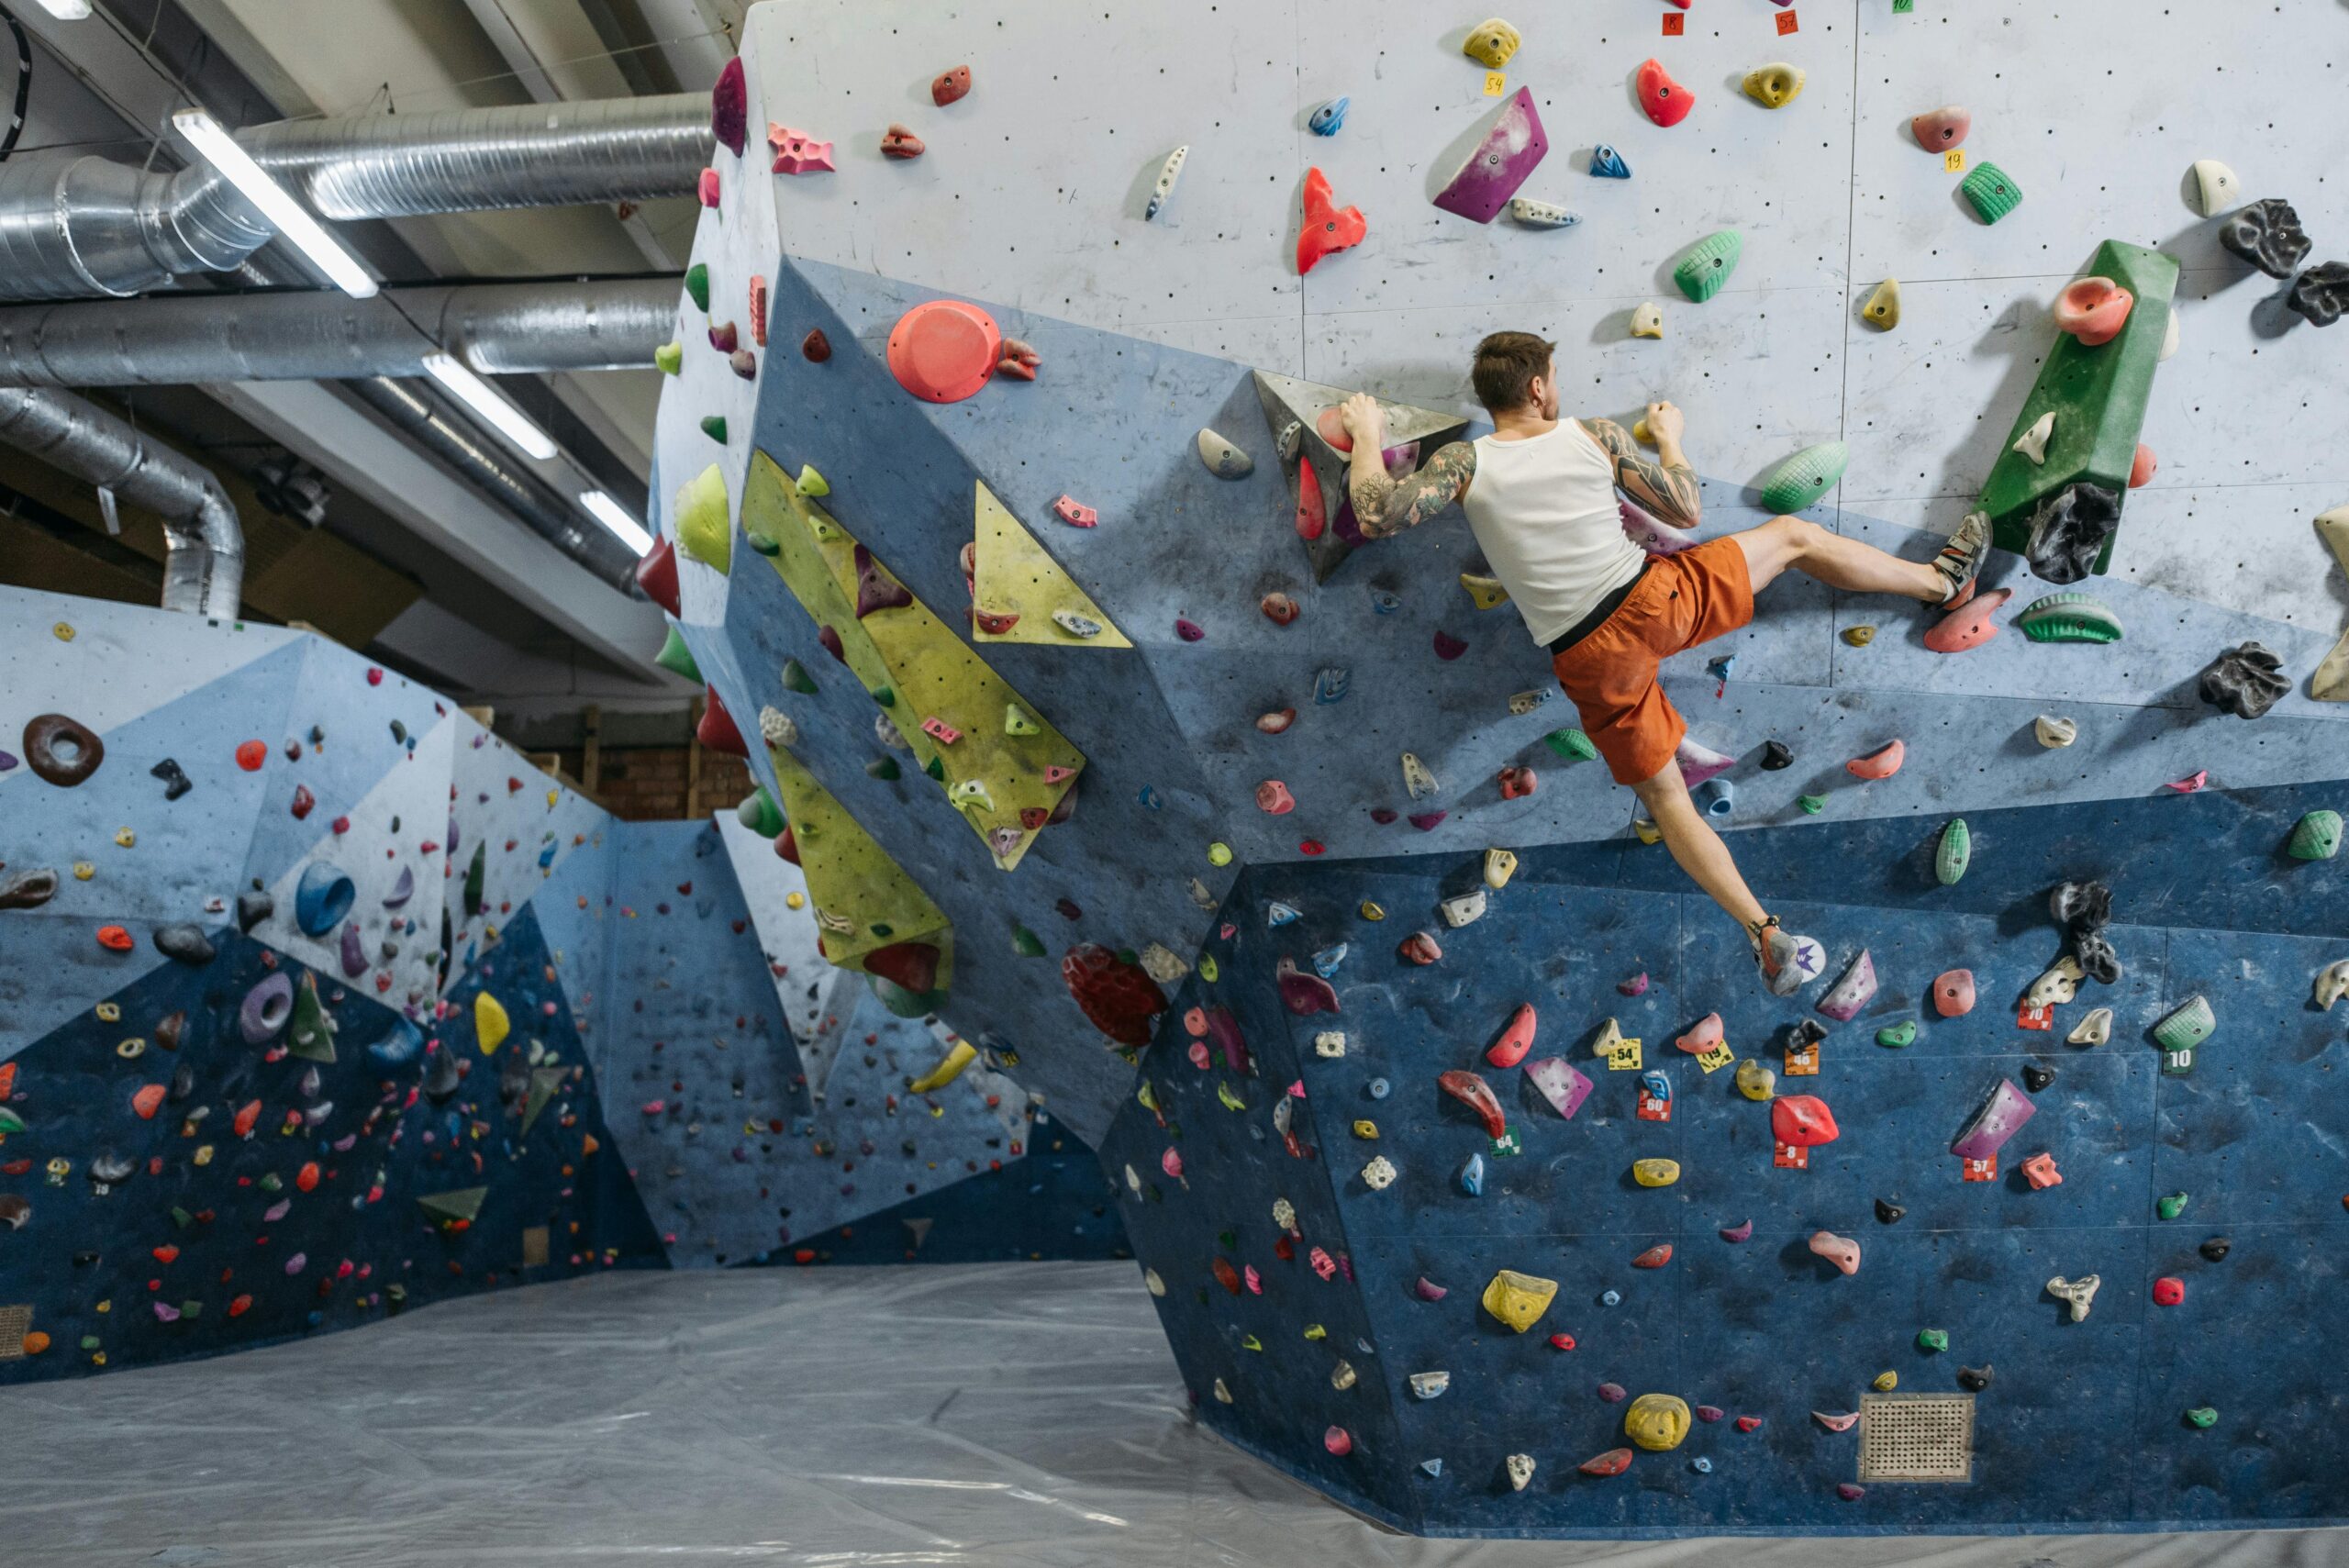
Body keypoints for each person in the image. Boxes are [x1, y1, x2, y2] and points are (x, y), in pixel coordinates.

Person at [1337, 330, 1987, 995]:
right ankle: (1941, 582)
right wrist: (1669, 436)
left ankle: (1765, 930)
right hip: (1656, 604)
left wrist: (1367, 432)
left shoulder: (1464, 464)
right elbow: (1685, 507)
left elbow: (1378, 512)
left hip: (1587, 657)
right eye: (1554, 375)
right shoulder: (1591, 436)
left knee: (1668, 798)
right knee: (1795, 536)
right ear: (1537, 387)